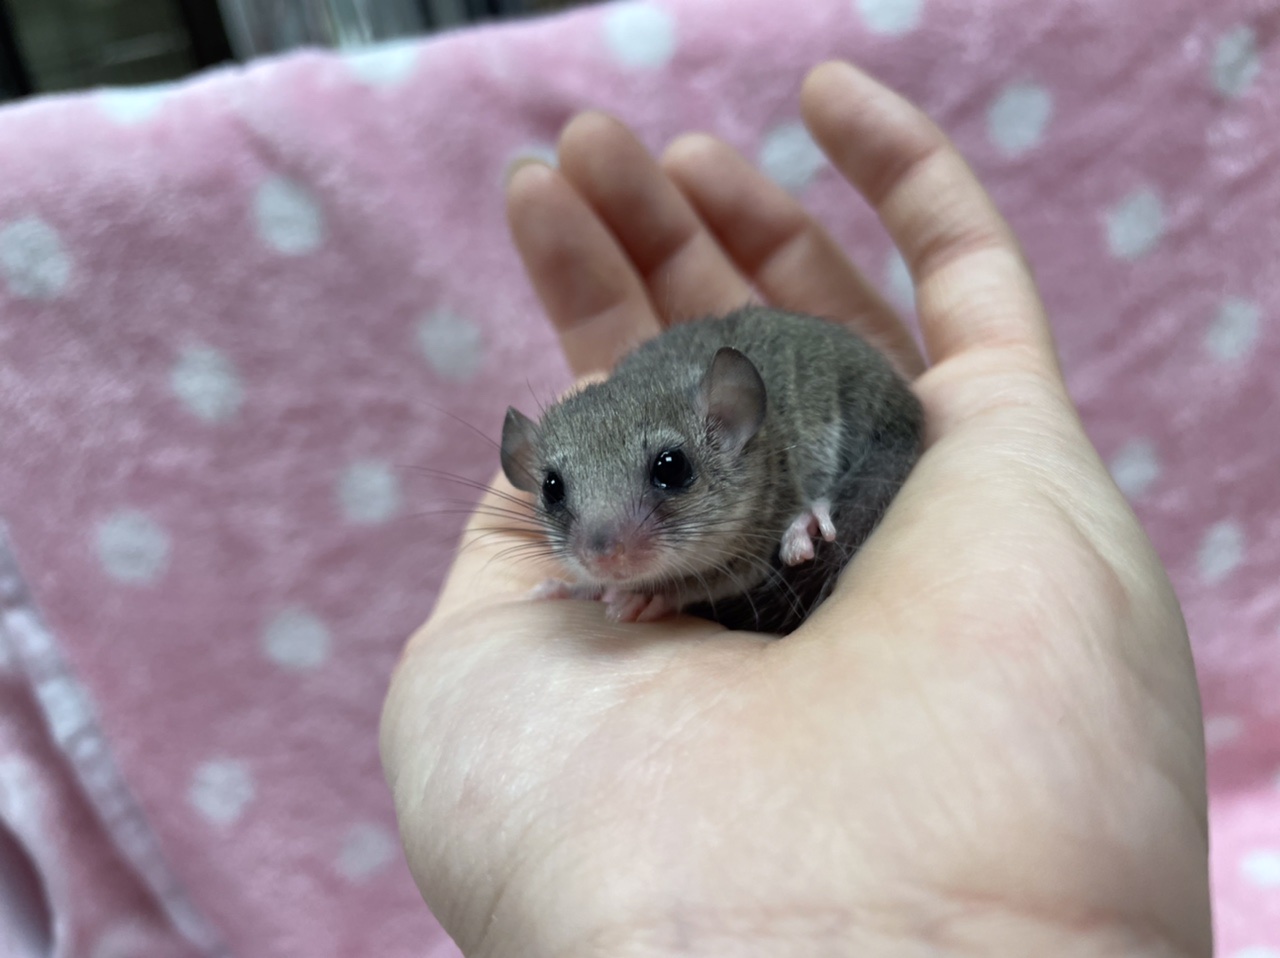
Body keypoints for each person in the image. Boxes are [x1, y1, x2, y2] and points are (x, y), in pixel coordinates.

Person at [379, 61, 1211, 957]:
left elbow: (740, 558)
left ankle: (809, 509)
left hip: (849, 411)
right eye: (558, 495)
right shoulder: (606, 501)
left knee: (787, 524)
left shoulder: (749, 454)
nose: (605, 539)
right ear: (527, 470)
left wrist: (685, 581)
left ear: (729, 429)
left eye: (668, 474)